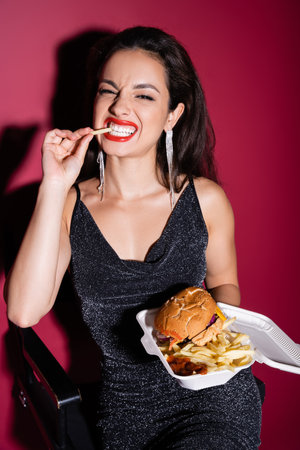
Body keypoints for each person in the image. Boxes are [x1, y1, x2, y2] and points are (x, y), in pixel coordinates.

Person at [4, 26, 262, 449]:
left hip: (212, 399)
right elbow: (23, 312)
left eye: (144, 95)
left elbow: (225, 283)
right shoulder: (69, 204)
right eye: (109, 91)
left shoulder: (205, 199)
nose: (120, 106)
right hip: (126, 409)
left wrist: (208, 343)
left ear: (173, 115)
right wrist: (54, 185)